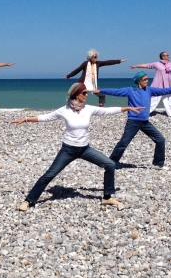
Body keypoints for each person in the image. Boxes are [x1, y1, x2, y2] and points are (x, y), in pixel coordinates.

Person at [12, 83, 142, 211]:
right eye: (84, 93)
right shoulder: (64, 110)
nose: (87, 95)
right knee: (49, 174)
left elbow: (106, 111)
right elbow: (46, 117)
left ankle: (107, 197)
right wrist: (26, 119)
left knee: (110, 164)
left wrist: (127, 109)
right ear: (76, 94)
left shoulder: (88, 109)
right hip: (68, 150)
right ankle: (29, 200)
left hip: (85, 149)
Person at [93, 71, 171, 170]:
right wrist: (101, 91)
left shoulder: (149, 90)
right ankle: (112, 162)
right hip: (133, 122)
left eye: (147, 79)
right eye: (145, 79)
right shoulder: (131, 90)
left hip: (145, 122)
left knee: (160, 140)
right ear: (139, 81)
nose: (147, 81)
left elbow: (164, 91)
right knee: (123, 143)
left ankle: (158, 163)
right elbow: (116, 91)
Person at [129, 52, 171, 117]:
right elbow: (146, 65)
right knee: (153, 100)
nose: (168, 56)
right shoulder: (156, 64)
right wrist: (136, 66)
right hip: (158, 85)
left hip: (168, 85)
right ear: (163, 56)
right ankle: (144, 112)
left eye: (168, 55)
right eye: (167, 55)